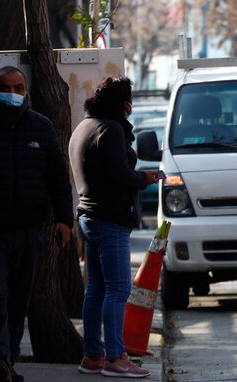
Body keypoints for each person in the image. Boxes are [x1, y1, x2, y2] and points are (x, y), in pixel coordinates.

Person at [0, 66, 73, 382]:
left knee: (18, 300)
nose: (13, 92)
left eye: (18, 86)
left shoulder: (41, 128)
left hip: (30, 231)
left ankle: (8, 360)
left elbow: (58, 177)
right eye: (6, 86)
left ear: (26, 90)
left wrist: (64, 219)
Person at [69, 77, 161, 378]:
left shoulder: (84, 126)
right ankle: (116, 357)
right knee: (118, 289)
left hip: (89, 217)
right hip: (109, 220)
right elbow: (119, 173)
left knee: (96, 288)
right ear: (124, 104)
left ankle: (93, 355)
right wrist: (144, 179)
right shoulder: (109, 129)